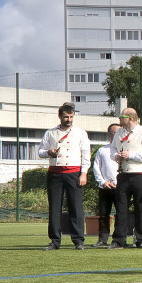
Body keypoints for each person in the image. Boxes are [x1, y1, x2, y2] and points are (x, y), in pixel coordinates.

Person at [38, 103, 91, 250]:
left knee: (76, 207)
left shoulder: (81, 133)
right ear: (60, 116)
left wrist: (84, 173)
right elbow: (40, 151)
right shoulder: (50, 133)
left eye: (71, 117)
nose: (69, 119)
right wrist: (49, 152)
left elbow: (86, 154)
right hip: (55, 173)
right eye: (66, 116)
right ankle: (55, 240)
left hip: (74, 173)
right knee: (54, 208)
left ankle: (79, 240)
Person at [109, 108, 142, 249]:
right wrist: (115, 156)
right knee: (121, 207)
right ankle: (118, 239)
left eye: (121, 116)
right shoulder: (119, 132)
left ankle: (141, 239)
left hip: (139, 174)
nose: (119, 119)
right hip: (123, 174)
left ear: (130, 118)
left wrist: (132, 155)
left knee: (140, 207)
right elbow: (112, 149)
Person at [91, 123, 121, 248]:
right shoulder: (102, 150)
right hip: (104, 187)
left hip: (119, 187)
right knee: (103, 215)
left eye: (119, 132)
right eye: (114, 132)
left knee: (120, 214)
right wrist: (103, 182)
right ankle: (102, 239)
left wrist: (117, 182)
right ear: (109, 133)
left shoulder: (123, 150)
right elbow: (96, 167)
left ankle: (118, 239)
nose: (116, 135)